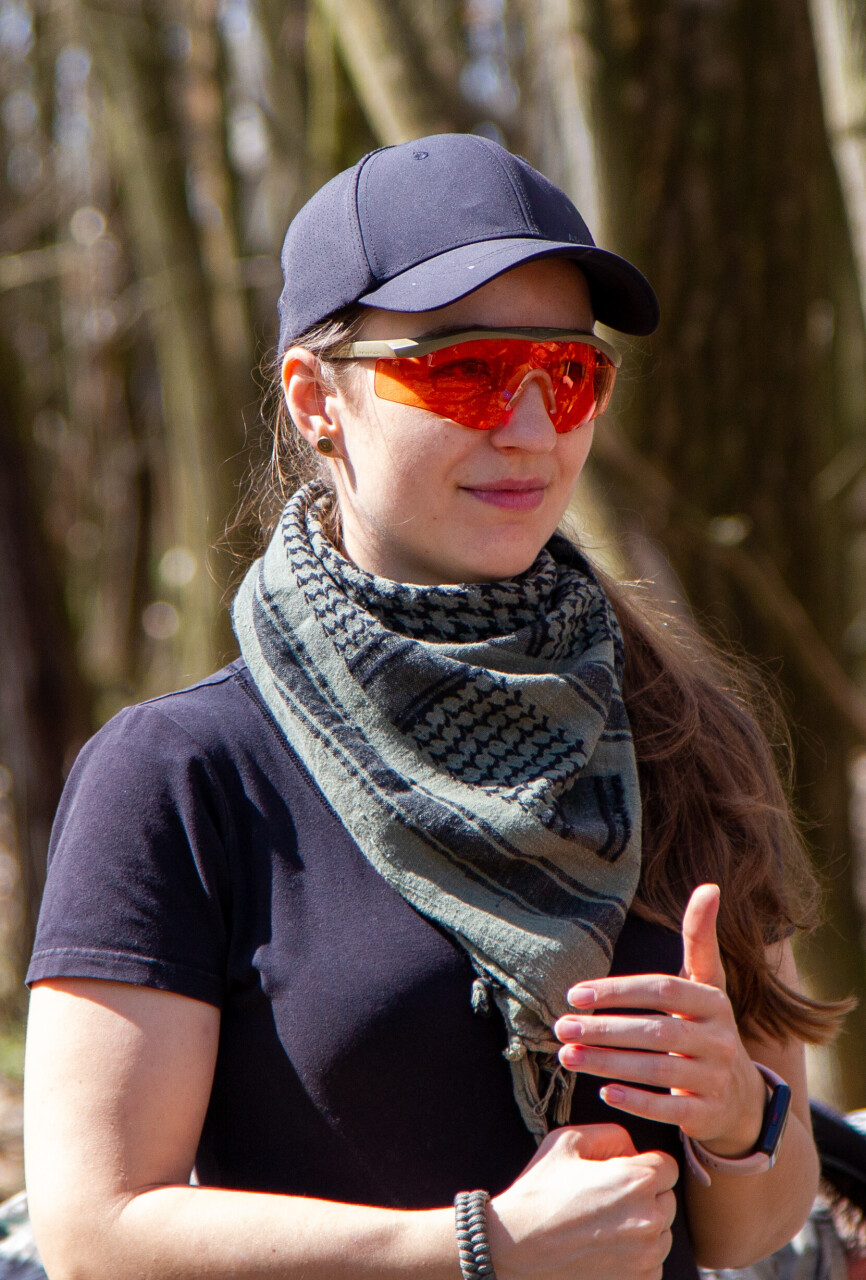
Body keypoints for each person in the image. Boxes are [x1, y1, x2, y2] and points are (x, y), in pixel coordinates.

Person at [23, 133, 847, 1280]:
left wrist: (735, 1118)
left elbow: (751, 1223)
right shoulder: (180, 772)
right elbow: (95, 1229)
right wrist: (477, 1247)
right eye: (465, 370)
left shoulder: (683, 735)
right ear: (315, 398)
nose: (530, 426)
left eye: (568, 374)